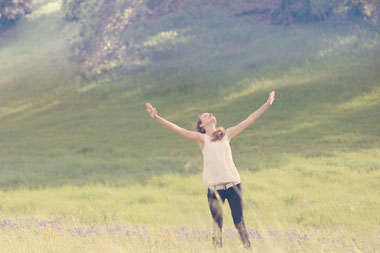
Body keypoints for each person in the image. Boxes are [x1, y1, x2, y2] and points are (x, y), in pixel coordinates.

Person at [145, 91, 275, 249]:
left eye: (209, 113)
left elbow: (250, 119)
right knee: (217, 228)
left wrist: (267, 104)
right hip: (215, 190)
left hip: (234, 186)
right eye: (205, 115)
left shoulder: (227, 134)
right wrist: (157, 117)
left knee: (239, 223)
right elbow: (177, 129)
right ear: (202, 125)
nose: (209, 114)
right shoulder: (202, 139)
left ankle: (249, 250)